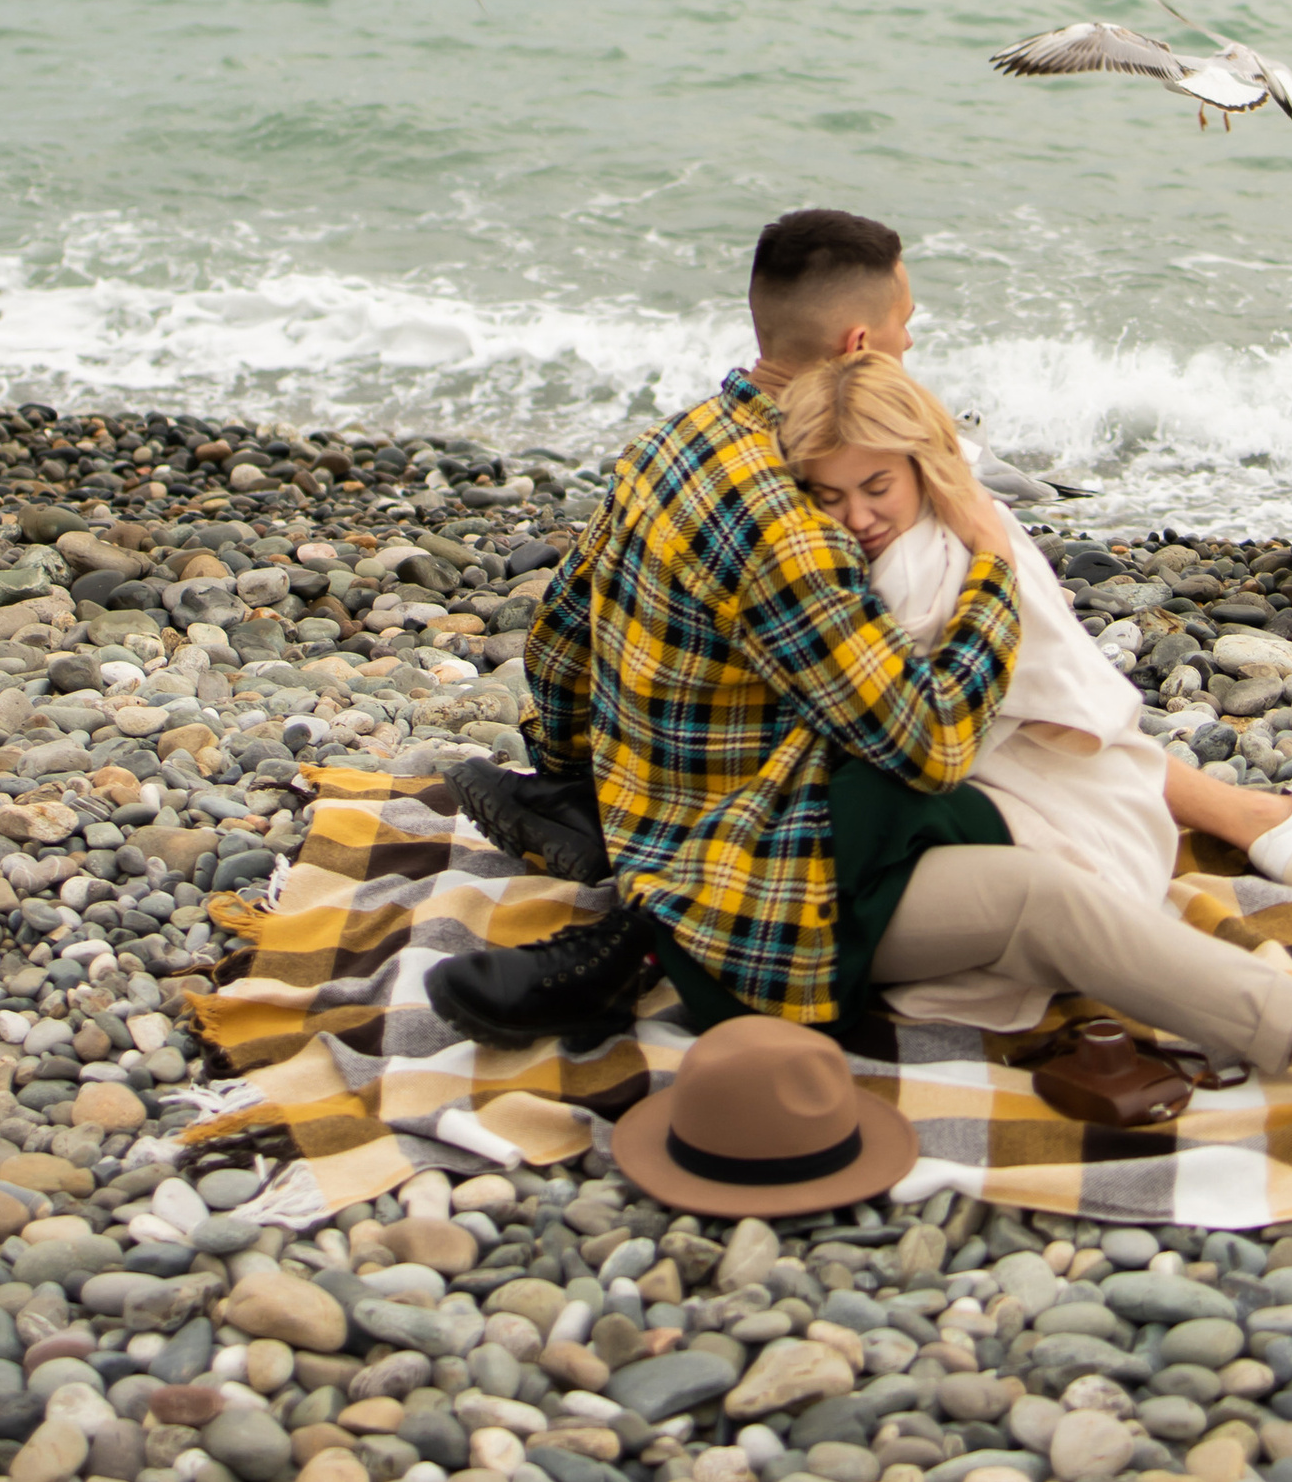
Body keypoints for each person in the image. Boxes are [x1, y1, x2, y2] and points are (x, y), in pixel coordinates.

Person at [774, 351, 1292, 1152]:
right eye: (829, 496)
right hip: (795, 900)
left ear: (923, 468)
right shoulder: (822, 582)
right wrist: (991, 558)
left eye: (877, 487)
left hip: (856, 849)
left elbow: (1032, 715)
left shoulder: (902, 558)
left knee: (1058, 851)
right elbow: (934, 736)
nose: (857, 518)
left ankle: (1275, 846)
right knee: (1057, 900)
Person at [430, 207, 1022, 1047]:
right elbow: (932, 742)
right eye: (906, 324)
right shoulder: (803, 512)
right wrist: (994, 567)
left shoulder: (668, 443)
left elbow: (562, 633)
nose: (912, 344)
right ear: (859, 346)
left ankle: (577, 816)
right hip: (738, 851)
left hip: (632, 794)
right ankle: (641, 945)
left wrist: (569, 768)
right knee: (883, 743)